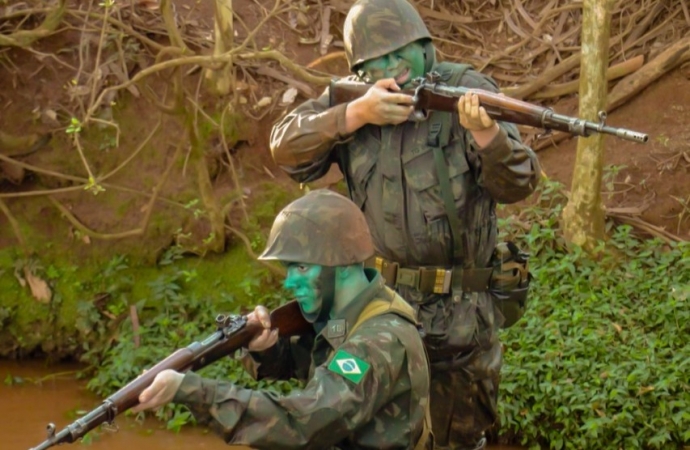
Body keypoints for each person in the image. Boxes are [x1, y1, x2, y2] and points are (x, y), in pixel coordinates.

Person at [269, 0, 541, 448]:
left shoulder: (466, 90)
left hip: (458, 317)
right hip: (378, 310)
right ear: (360, 68)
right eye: (378, 63)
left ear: (425, 46)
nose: (393, 70)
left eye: (402, 55)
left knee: (457, 435)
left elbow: (519, 184)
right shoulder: (355, 97)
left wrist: (487, 136)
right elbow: (285, 147)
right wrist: (354, 116)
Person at [133, 189, 432, 450]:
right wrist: (268, 349)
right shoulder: (349, 316)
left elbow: (304, 422)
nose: (289, 283)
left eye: (301, 268)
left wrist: (192, 391)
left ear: (340, 264)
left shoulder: (378, 341)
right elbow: (311, 363)